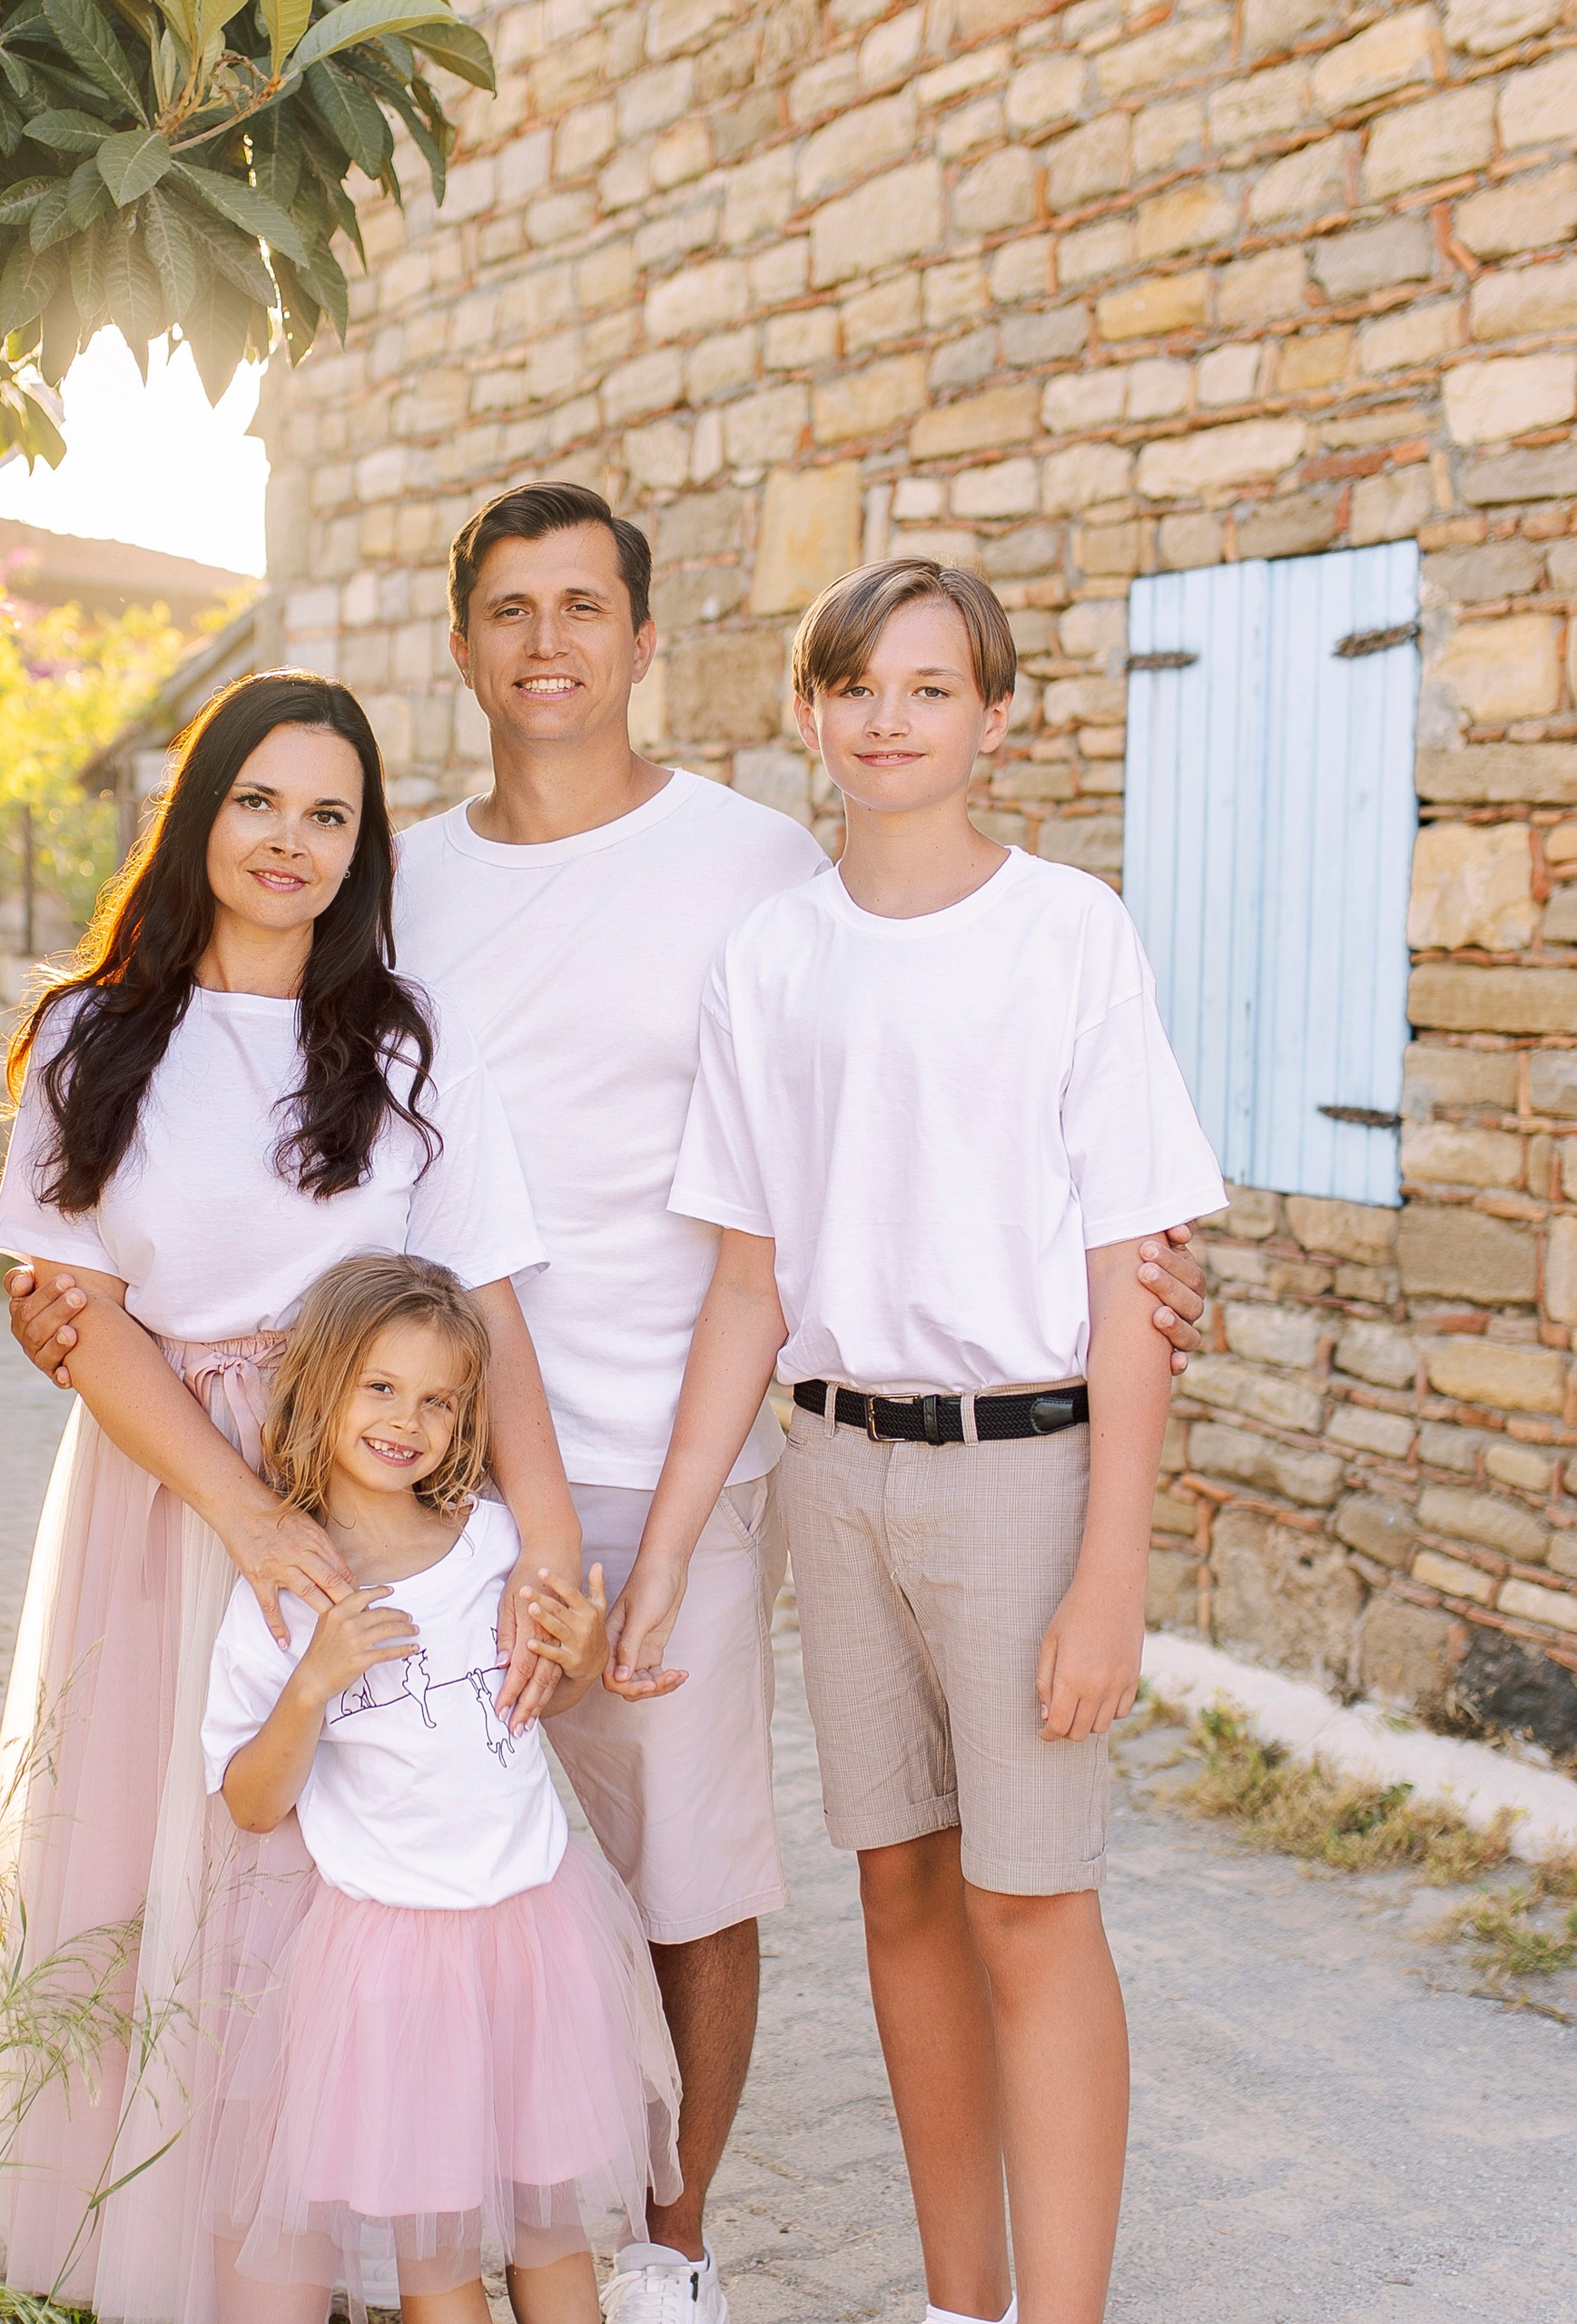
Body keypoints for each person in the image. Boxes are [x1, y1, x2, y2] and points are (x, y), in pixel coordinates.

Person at [8, 485, 1210, 2323]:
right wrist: (94, 1301)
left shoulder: (761, 872)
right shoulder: (396, 889)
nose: (547, 639)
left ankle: (662, 2243)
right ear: (464, 642)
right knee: (384, 1855)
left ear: (645, 642)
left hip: (680, 1464)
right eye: (509, 607)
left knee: (683, 1880)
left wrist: (1122, 1272)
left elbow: (898, 1061)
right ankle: (370, 2235)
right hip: (405, 1463)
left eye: (584, 605)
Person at [629, 558, 1227, 2324]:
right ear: (807, 715)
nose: (887, 717)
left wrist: (1109, 1569)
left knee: (1026, 1902)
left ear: (993, 715)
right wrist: (663, 1547)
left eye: (928, 686)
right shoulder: (770, 959)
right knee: (895, 1888)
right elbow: (746, 1281)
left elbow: (1136, 1268)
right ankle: (956, 2303)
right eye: (854, 687)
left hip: (1021, 1477)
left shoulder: (1064, 933)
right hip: (831, 1470)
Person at [0, 670, 580, 2324]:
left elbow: (493, 1299)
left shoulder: (401, 1037)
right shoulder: (96, 1035)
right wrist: (242, 1513)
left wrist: (558, 1558)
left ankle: (340, 2251)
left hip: (371, 1487)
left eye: (330, 813)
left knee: (345, 1883)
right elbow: (72, 1308)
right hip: (171, 1499)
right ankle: (182, 2259)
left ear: (363, 845)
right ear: (201, 813)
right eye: (258, 801)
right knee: (176, 1857)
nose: (290, 841)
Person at [201, 1254, 679, 2323]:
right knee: (439, 2257)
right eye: (379, 1386)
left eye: (437, 1399)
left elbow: (539, 1699)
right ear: (318, 1389)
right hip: (393, 1969)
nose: (405, 1419)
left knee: (553, 2235)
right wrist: (314, 1686)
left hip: (533, 1935)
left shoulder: (496, 1547)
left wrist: (586, 1654)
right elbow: (248, 1800)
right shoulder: (285, 1600)